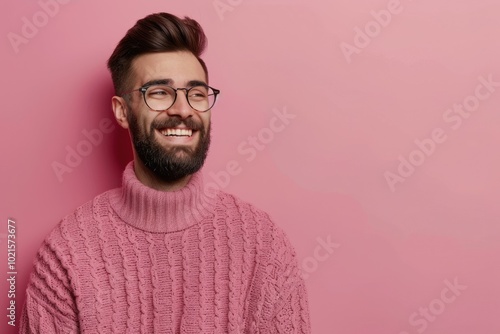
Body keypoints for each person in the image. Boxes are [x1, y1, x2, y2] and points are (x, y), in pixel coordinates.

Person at [19, 12, 311, 333]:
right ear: (122, 111)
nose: (183, 110)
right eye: (159, 92)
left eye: (196, 94)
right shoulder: (67, 253)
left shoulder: (263, 246)